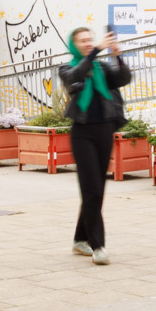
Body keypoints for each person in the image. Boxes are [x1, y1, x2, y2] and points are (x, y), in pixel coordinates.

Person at [62, 26, 133, 265]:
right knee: (91, 188)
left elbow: (123, 79)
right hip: (82, 134)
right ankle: (98, 245)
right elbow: (75, 78)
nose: (88, 43)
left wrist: (117, 55)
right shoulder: (68, 68)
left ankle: (79, 239)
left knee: (96, 188)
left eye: (89, 40)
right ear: (74, 45)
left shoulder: (101, 67)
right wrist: (96, 52)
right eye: (82, 41)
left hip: (104, 131)